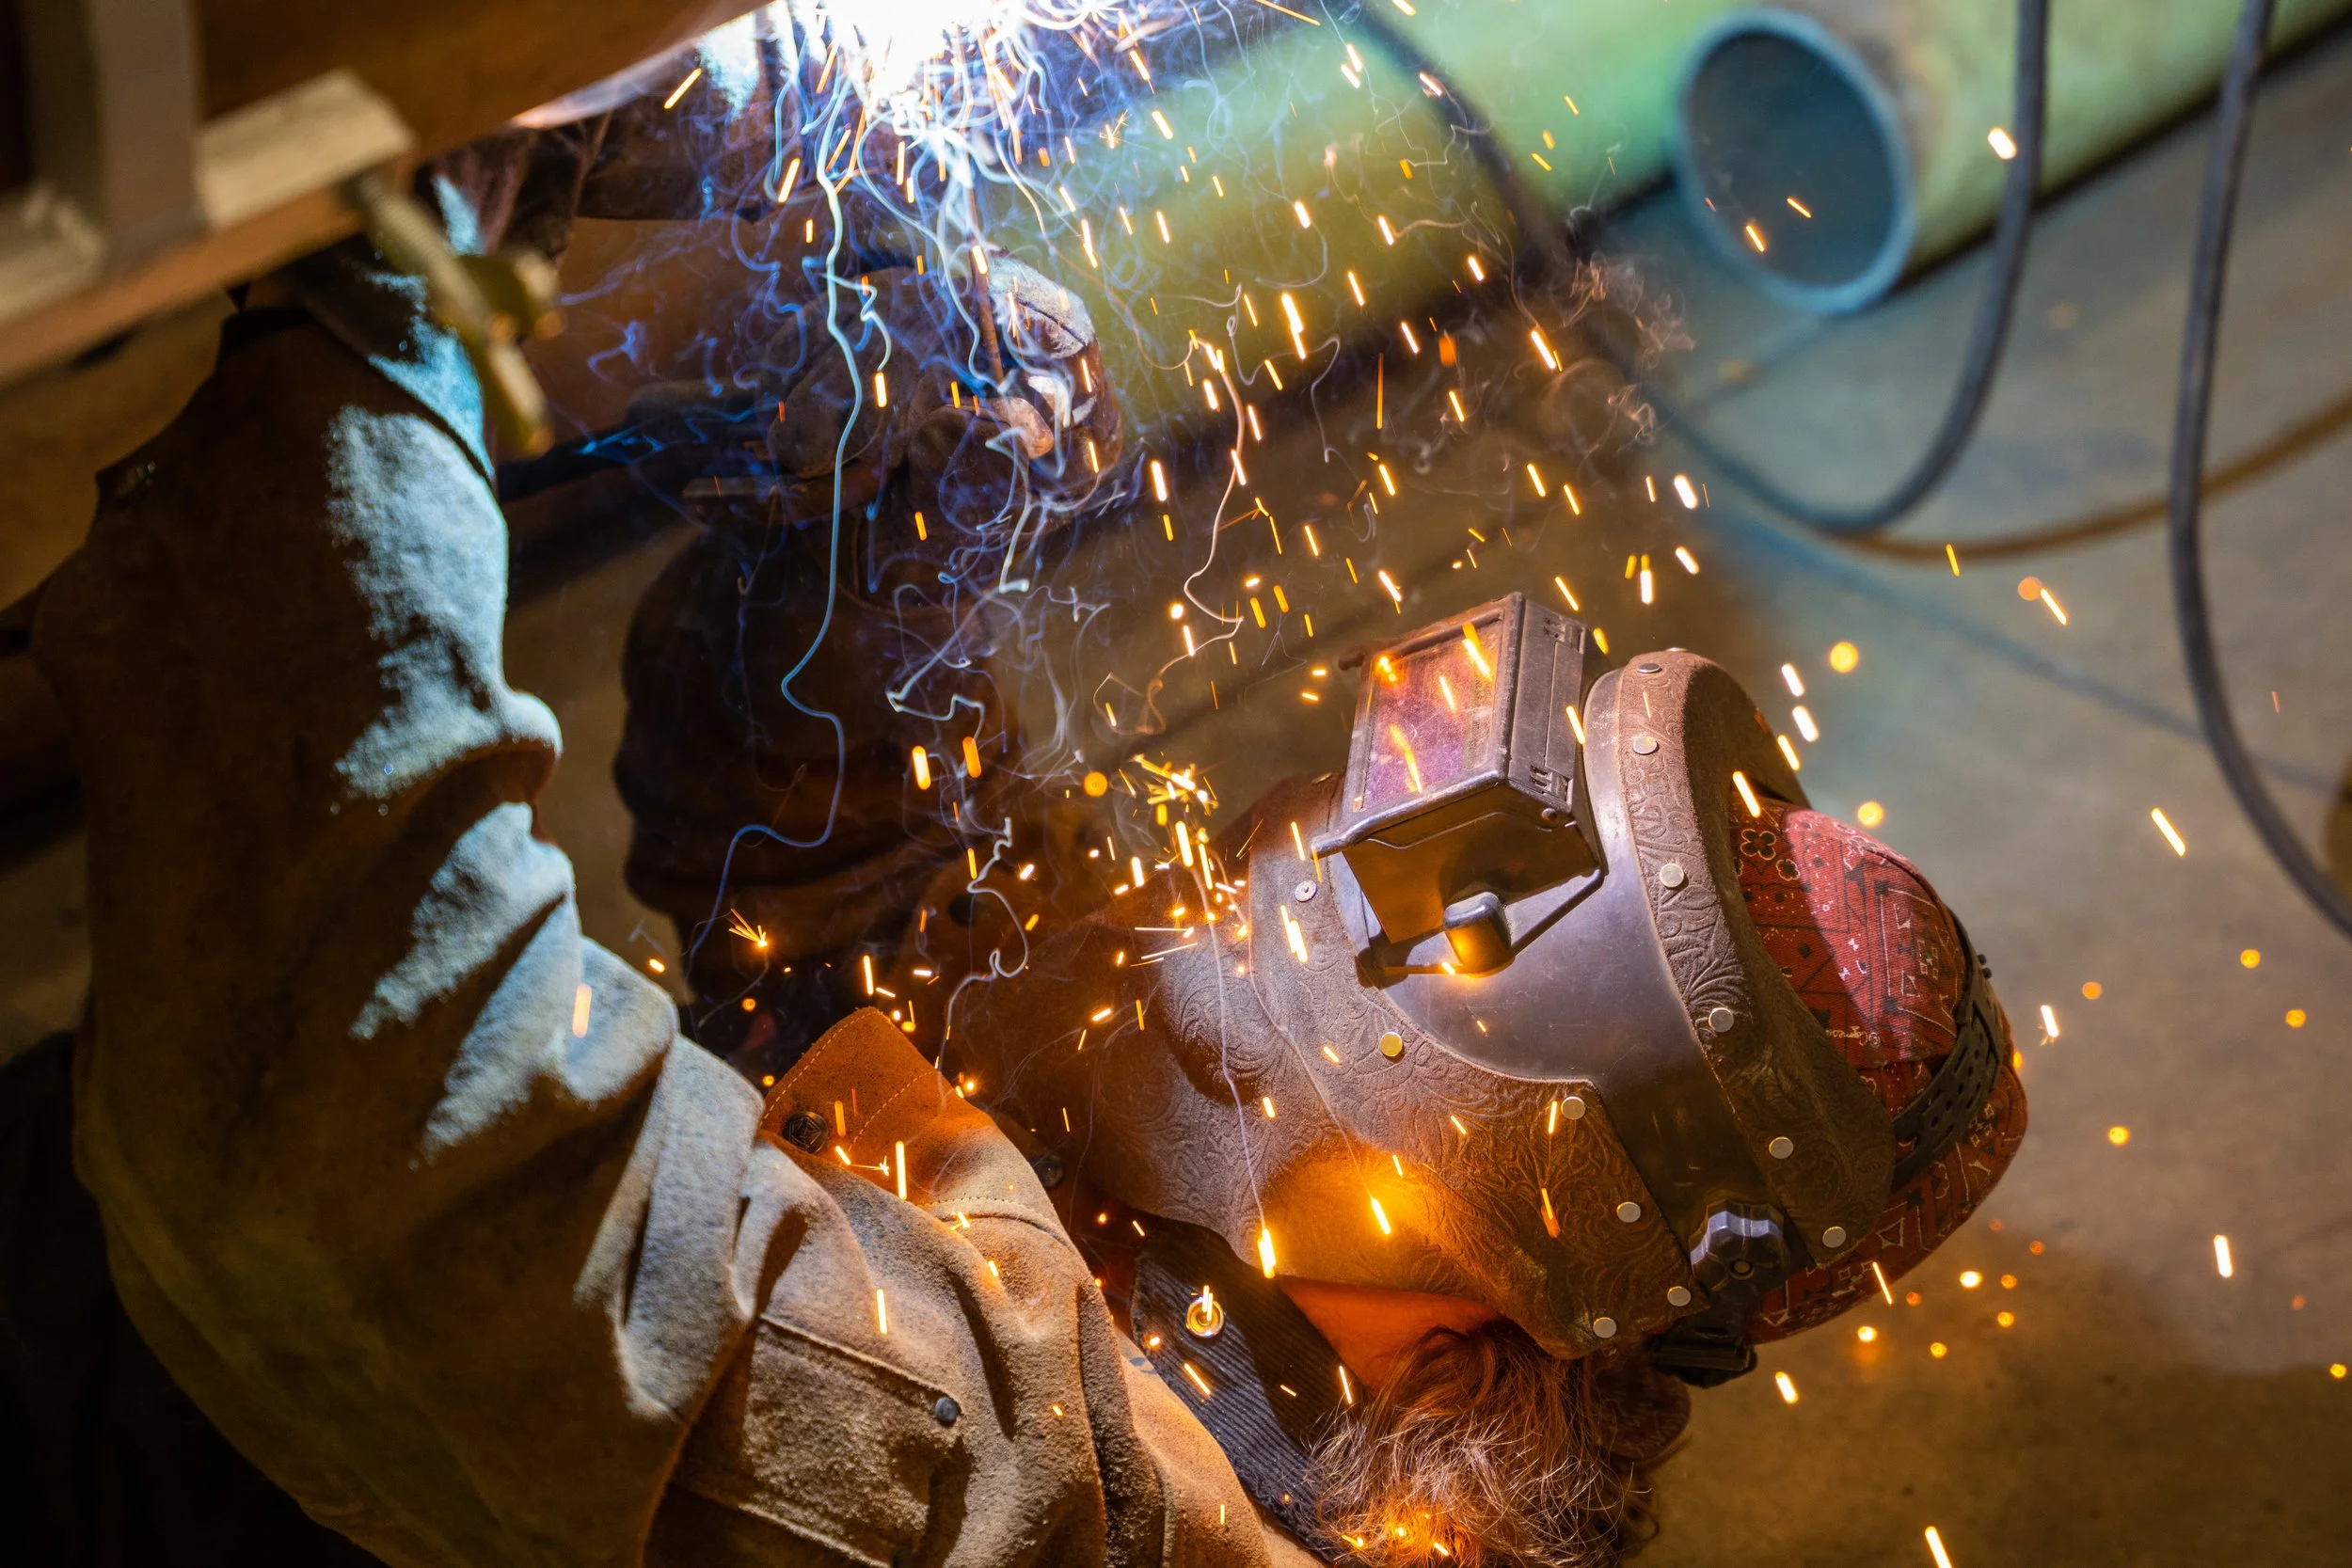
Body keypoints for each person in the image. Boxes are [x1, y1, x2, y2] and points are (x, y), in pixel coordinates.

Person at [19, 107, 2026, 1568]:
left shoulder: (1046, 1499)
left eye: (1337, 939)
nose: (1250, 897)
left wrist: (390, 319)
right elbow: (837, 955)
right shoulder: (1283, 1191)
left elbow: (355, 1140)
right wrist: (899, 510)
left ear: (1513, 1233)